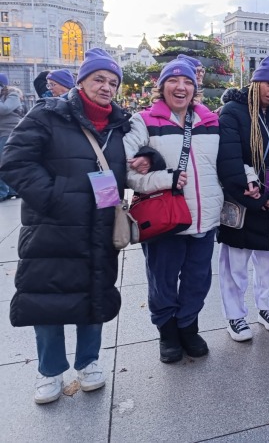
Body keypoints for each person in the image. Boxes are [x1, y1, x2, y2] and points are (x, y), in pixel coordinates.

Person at [0, 49, 130, 404]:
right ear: (82, 81)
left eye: (112, 82)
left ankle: (88, 362)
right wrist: (56, 197)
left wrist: (151, 160)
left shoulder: (119, 123)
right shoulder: (48, 114)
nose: (106, 87)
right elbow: (14, 162)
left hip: (100, 225)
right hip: (53, 225)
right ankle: (50, 371)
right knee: (49, 298)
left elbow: (130, 163)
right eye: (99, 79)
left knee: (96, 293)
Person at [123, 57, 223, 363]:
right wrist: (161, 174)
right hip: (165, 218)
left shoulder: (210, 120)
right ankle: (167, 332)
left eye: (188, 82)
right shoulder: (144, 120)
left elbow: (224, 162)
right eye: (173, 81)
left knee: (198, 278)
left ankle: (188, 327)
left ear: (195, 88)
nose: (181, 87)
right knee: (162, 278)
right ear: (161, 86)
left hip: (204, 217)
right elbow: (124, 167)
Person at [216, 56, 269, 340]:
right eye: (268, 83)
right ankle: (235, 316)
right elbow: (227, 159)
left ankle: (267, 308)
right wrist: (250, 193)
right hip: (242, 201)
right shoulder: (233, 111)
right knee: (235, 264)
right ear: (255, 81)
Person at [0, 73, 24, 201]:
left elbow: (5, 109)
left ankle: (3, 192)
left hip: (9, 131)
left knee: (4, 162)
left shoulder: (12, 95)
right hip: (1, 132)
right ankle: (11, 190)